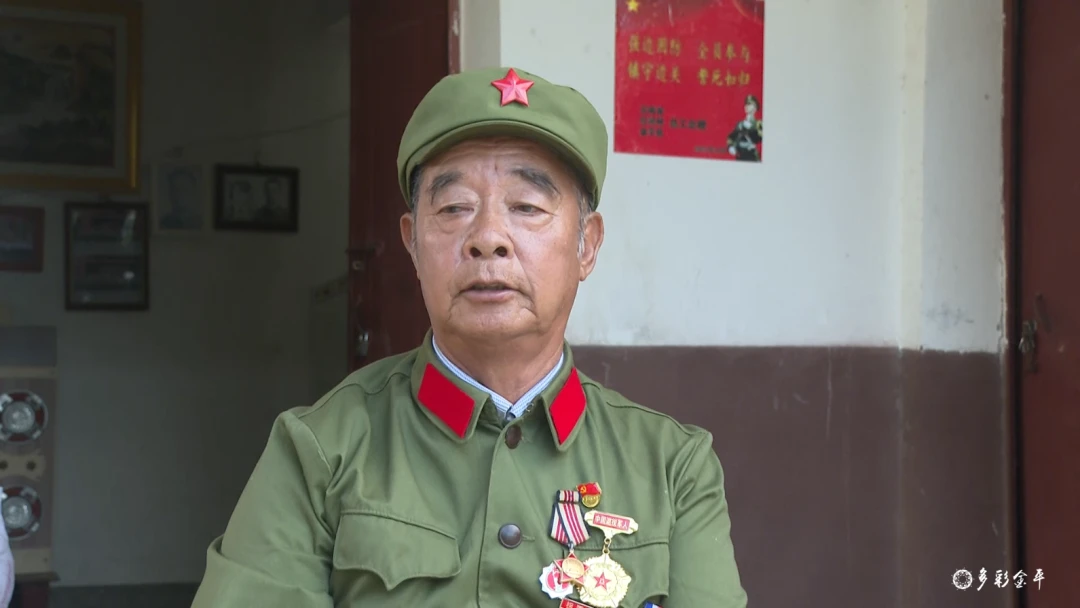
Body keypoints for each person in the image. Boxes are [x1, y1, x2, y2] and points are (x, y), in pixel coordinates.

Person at [191, 66, 747, 608]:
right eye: (455, 208)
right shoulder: (319, 450)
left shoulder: (673, 467)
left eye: (527, 207)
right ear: (412, 244)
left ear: (587, 246)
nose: (488, 238)